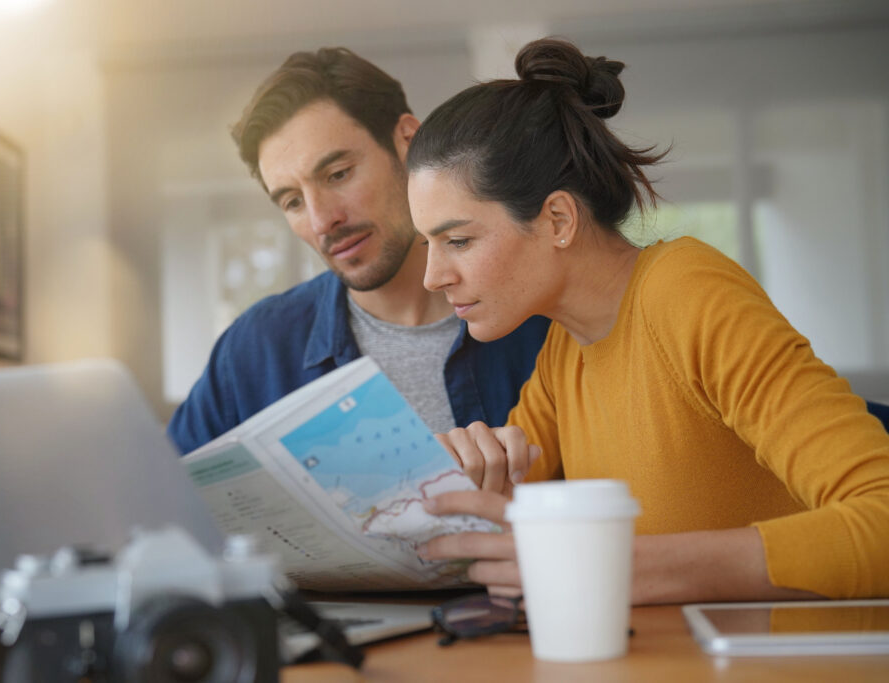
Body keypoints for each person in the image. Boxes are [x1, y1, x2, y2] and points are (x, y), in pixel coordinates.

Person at [406, 37, 889, 603]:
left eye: (458, 240)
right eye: (427, 245)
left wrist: (618, 566)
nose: (432, 277)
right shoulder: (565, 350)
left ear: (559, 218)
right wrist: (470, 487)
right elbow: (505, 530)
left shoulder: (686, 293)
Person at [167, 47, 550, 493]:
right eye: (292, 201)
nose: (320, 220)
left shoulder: (539, 323)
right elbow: (169, 508)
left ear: (407, 140)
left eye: (338, 174)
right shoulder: (254, 351)